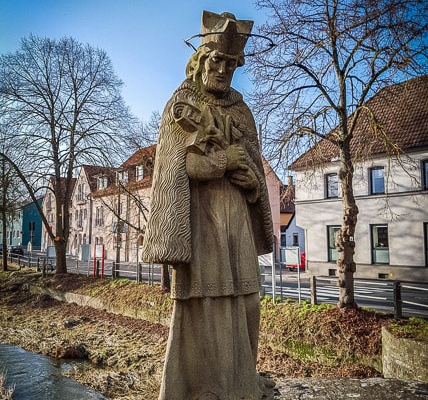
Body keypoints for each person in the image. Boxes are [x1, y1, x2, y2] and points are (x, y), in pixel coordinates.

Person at [142, 10, 275, 400]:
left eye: (231, 64)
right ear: (201, 60)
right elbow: (177, 166)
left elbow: (253, 165)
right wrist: (222, 162)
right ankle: (202, 388)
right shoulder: (182, 104)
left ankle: (242, 381)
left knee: (248, 302)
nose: (223, 69)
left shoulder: (242, 110)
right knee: (208, 305)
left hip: (239, 222)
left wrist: (253, 185)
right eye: (217, 60)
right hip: (202, 223)